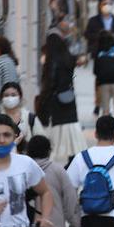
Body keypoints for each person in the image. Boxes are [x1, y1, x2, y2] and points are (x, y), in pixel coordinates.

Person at [36, 33, 81, 164]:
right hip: (69, 97)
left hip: (56, 100)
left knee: (55, 131)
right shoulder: (68, 58)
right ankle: (71, 158)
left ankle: (50, 159)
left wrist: (43, 99)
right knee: (70, 130)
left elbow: (50, 82)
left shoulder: (52, 61)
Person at [93, 31, 114, 125]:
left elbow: (95, 71)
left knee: (105, 111)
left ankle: (106, 131)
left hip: (103, 84)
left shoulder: (99, 52)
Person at [0, 82, 33, 151]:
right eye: (6, 95)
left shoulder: (30, 117)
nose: (10, 98)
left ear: (20, 97)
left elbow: (41, 140)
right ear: (1, 98)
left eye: (13, 95)